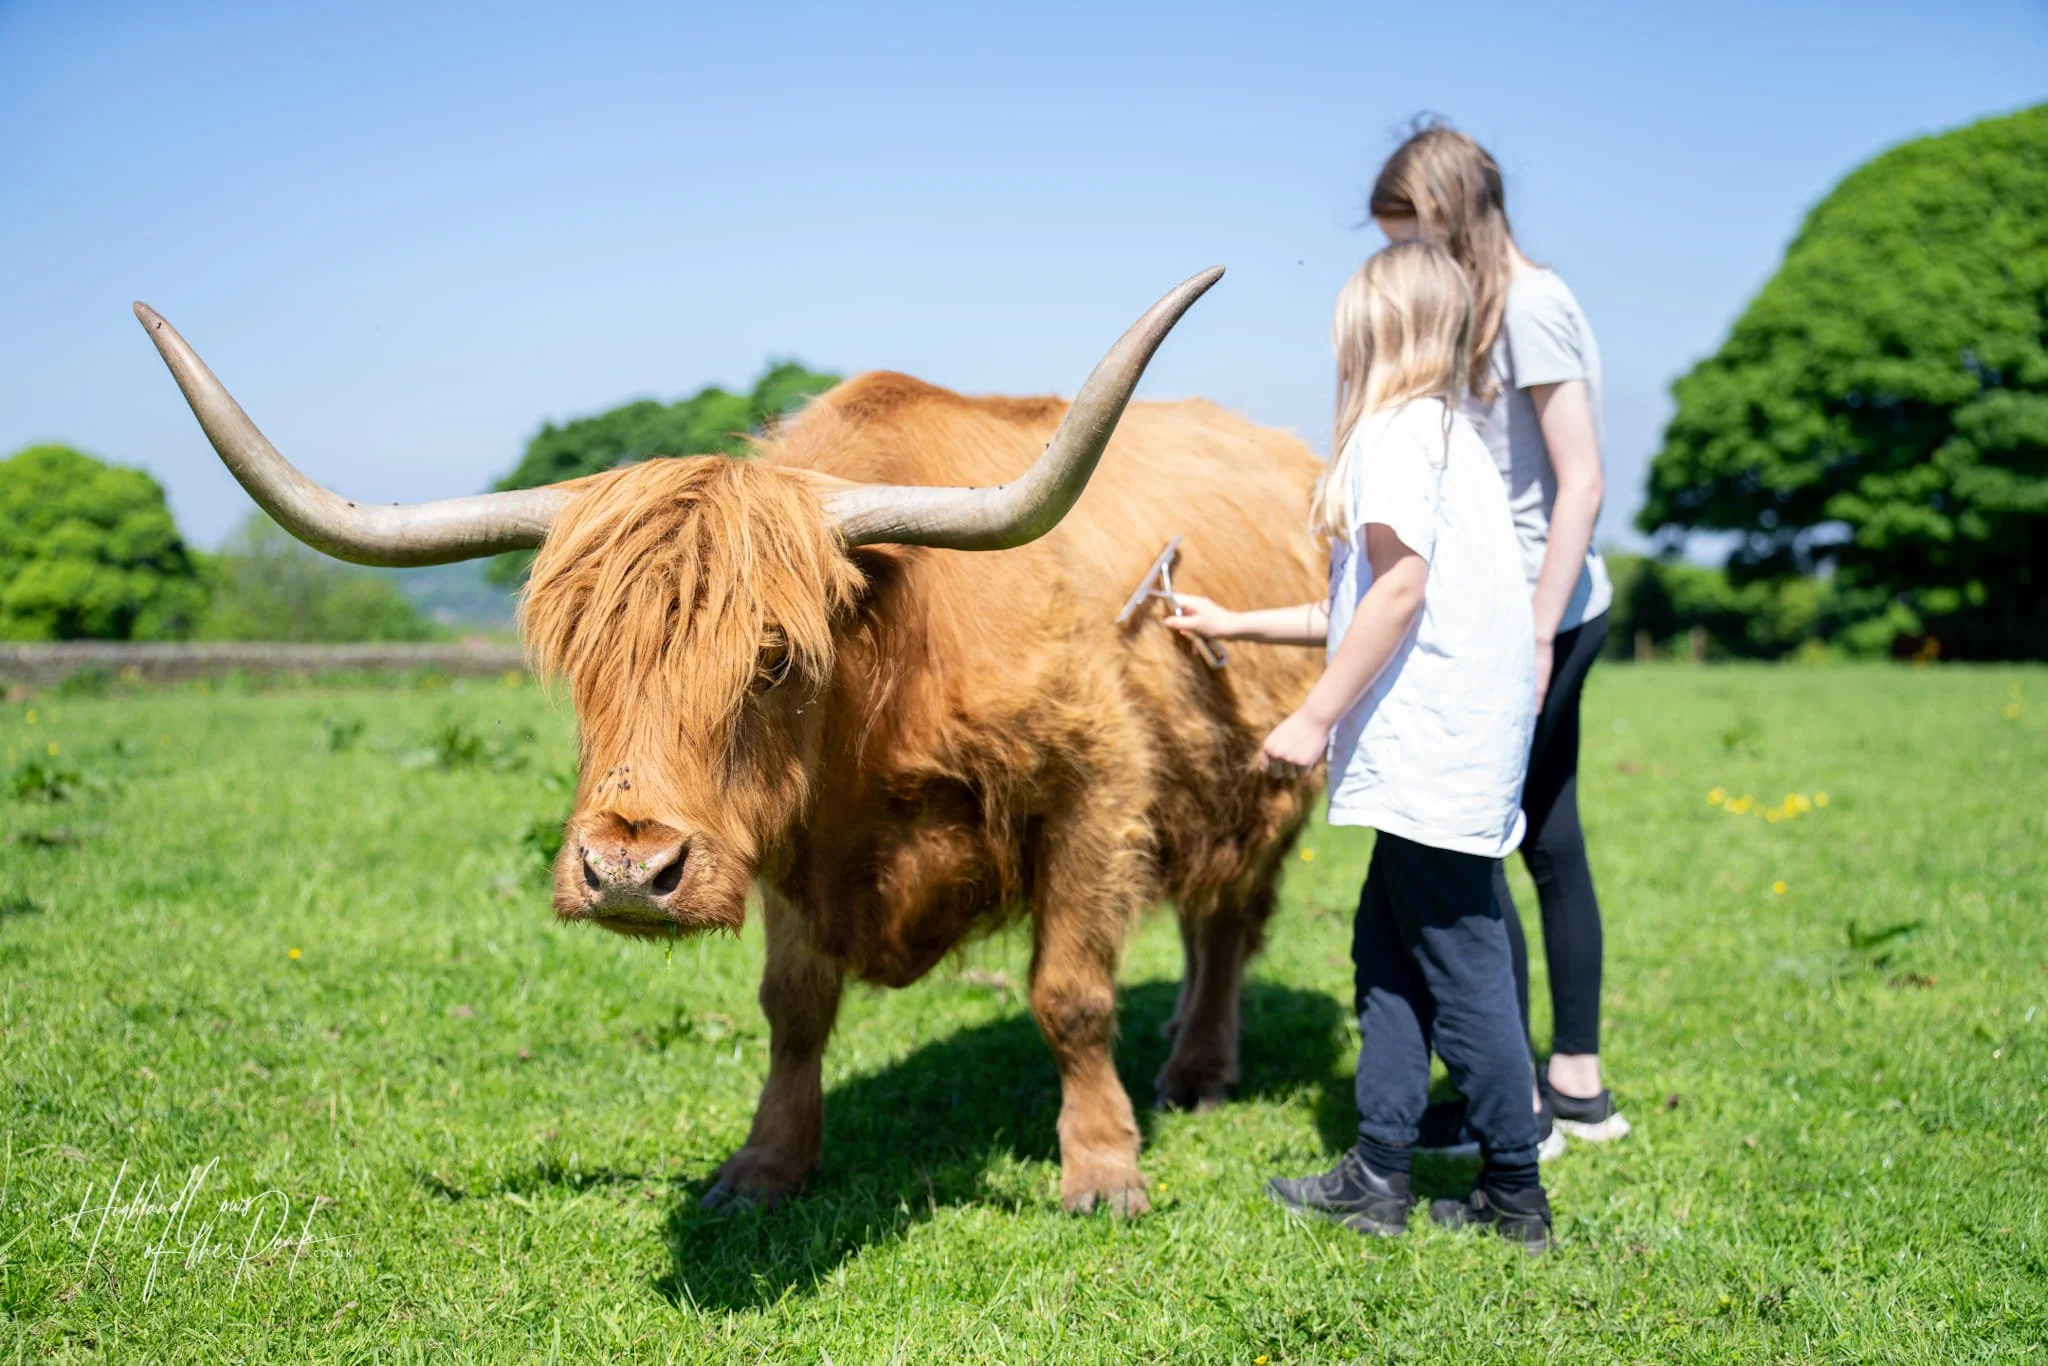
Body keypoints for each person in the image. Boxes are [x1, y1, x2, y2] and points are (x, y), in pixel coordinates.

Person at [1167, 241, 1552, 1250]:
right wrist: (1237, 621)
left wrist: (1310, 716)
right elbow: (1368, 604)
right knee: (1385, 952)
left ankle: (1516, 1190)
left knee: (1462, 969)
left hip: (1431, 750)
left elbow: (1396, 590)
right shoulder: (1450, 440)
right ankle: (1378, 1171)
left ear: (1376, 339)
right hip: (1452, 745)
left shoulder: (1388, 436)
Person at [1370, 120, 1628, 1144]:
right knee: (1546, 834)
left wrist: (1528, 636)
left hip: (1537, 611)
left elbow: (1581, 483)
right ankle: (1570, 1079)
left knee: (1473, 840)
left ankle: (1514, 1101)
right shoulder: (1487, 305)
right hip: (1519, 610)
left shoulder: (1531, 305)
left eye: (1411, 239)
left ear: (1455, 218)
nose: (1400, 263)